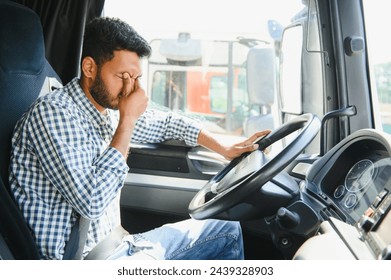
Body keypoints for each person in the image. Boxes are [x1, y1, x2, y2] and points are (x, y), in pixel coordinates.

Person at [9, 17, 270, 260]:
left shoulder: (105, 112)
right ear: (90, 67)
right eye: (123, 76)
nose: (130, 89)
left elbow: (168, 123)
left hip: (115, 244)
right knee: (225, 235)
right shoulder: (54, 114)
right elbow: (91, 202)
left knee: (226, 229)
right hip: (86, 261)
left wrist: (222, 147)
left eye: (136, 78)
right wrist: (128, 119)